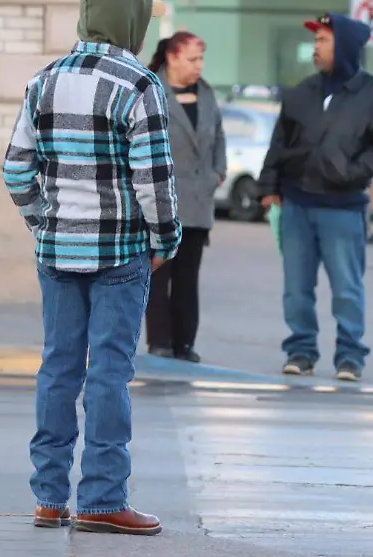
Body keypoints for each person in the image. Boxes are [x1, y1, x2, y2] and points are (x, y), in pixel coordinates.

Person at [2, 0, 180, 536]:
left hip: (57, 253)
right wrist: (165, 238)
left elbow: (16, 170)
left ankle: (49, 498)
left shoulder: (43, 82)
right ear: (132, 22)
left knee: (58, 367)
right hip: (120, 252)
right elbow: (153, 180)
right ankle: (102, 500)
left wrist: (45, 223)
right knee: (108, 373)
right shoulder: (139, 84)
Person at [257, 13, 373, 382]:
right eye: (316, 40)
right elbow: (279, 143)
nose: (316, 47)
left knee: (347, 289)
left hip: (343, 207)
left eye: (323, 40)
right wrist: (269, 187)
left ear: (346, 47)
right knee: (296, 289)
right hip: (297, 205)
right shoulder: (301, 92)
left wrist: (349, 172)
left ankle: (350, 356)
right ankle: (300, 351)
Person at [144, 31, 226, 364]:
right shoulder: (152, 91)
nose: (199, 66)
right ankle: (159, 341)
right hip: (162, 201)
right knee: (159, 274)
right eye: (193, 59)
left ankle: (184, 343)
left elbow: (219, 138)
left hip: (198, 201)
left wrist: (217, 174)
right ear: (173, 57)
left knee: (188, 279)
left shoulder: (206, 94)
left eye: (201, 59)